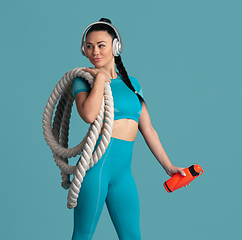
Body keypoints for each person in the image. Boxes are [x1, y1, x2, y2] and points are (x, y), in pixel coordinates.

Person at [71, 18, 187, 240]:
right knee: (82, 235)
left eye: (101, 45)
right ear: (84, 49)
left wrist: (168, 166)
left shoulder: (132, 83)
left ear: (115, 47)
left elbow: (148, 129)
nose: (95, 51)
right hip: (96, 166)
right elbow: (88, 114)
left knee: (132, 236)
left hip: (123, 172)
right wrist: (101, 79)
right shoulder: (83, 79)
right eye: (89, 46)